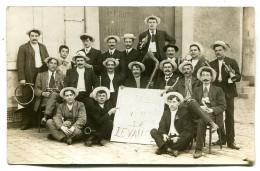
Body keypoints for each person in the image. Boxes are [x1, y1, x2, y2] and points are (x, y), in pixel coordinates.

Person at [209, 41, 241, 150]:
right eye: (216, 50)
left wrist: (231, 76)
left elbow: (238, 76)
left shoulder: (231, 61)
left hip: (228, 94)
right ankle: (222, 138)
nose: (218, 52)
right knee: (218, 117)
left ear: (224, 50)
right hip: (217, 94)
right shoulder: (211, 63)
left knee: (229, 117)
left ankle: (231, 141)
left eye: (220, 50)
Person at [170, 61, 219, 132]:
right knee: (185, 108)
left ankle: (193, 133)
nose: (186, 71)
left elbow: (202, 93)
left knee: (192, 103)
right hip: (183, 104)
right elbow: (174, 93)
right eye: (184, 69)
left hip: (196, 103)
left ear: (192, 70)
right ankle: (211, 123)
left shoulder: (197, 81)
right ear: (182, 71)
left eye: (188, 69)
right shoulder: (178, 82)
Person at [17, 28, 49, 130]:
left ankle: (37, 121)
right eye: (32, 36)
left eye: (36, 36)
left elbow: (47, 60)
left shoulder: (43, 47)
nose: (34, 38)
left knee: (39, 96)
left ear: (39, 37)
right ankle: (26, 122)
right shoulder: (23, 47)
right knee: (27, 97)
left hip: (41, 73)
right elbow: (20, 64)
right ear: (29, 37)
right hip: (29, 75)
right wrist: (22, 78)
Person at [193, 66, 226, 158]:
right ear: (200, 77)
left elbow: (223, 106)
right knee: (192, 103)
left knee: (201, 121)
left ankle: (198, 149)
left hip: (213, 114)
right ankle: (212, 124)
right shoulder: (196, 90)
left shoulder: (218, 90)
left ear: (211, 78)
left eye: (207, 75)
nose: (205, 77)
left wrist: (211, 109)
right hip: (199, 113)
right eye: (203, 75)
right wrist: (200, 107)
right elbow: (193, 104)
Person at [150, 92, 193, 157]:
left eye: (174, 102)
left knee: (189, 135)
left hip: (177, 139)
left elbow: (187, 129)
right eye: (170, 102)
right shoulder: (166, 113)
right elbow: (161, 127)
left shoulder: (184, 113)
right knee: (153, 131)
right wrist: (164, 135)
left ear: (178, 103)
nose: (171, 104)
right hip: (168, 138)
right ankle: (170, 150)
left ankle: (163, 147)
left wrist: (178, 137)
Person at [34, 57, 64, 125]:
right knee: (56, 105)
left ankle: (45, 117)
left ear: (57, 65)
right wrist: (43, 93)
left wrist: (59, 89)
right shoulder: (41, 75)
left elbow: (64, 89)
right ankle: (57, 125)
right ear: (47, 64)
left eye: (55, 63)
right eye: (51, 63)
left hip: (58, 97)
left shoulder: (61, 75)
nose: (53, 65)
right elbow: (36, 89)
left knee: (54, 95)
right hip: (45, 98)